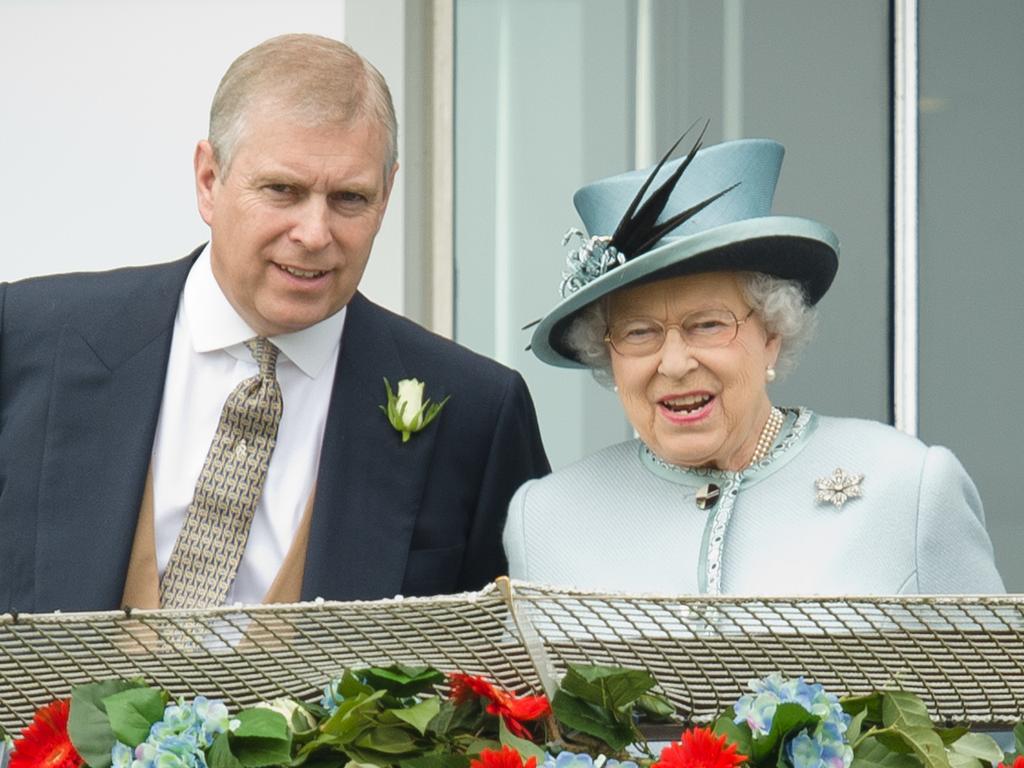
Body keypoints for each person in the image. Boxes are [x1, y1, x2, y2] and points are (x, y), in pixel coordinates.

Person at [0, 33, 549, 614]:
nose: (315, 234)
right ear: (209, 181)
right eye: (282, 190)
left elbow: (512, 672)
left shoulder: (477, 413)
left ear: (386, 197)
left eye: (350, 199)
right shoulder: (29, 339)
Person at [503, 127, 1003, 595]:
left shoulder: (907, 486)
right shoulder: (544, 518)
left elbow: (995, 688)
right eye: (639, 332)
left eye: (708, 324)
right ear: (608, 355)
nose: (674, 364)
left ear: (772, 334)